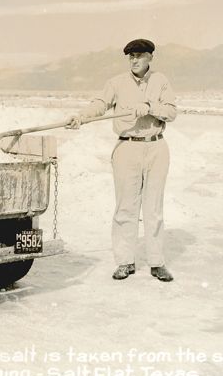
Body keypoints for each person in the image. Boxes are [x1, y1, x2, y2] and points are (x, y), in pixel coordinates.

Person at [65, 38, 178, 281]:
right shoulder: (116, 83)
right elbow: (100, 104)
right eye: (131, 56)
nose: (134, 60)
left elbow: (171, 112)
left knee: (153, 208)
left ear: (150, 57)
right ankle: (125, 261)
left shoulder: (161, 81)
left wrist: (150, 106)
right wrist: (81, 117)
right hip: (127, 149)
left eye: (139, 55)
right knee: (125, 207)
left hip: (156, 147)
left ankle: (157, 262)